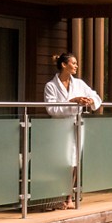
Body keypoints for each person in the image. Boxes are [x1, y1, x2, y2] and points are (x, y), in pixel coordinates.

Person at [43, 53, 102, 210]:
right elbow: (51, 109)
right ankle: (57, 197)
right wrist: (72, 102)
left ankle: (69, 198)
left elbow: (97, 97)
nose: (76, 66)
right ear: (64, 65)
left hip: (76, 126)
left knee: (74, 161)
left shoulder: (80, 84)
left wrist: (90, 101)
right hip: (59, 128)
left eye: (76, 63)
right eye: (73, 63)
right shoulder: (51, 86)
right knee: (61, 162)